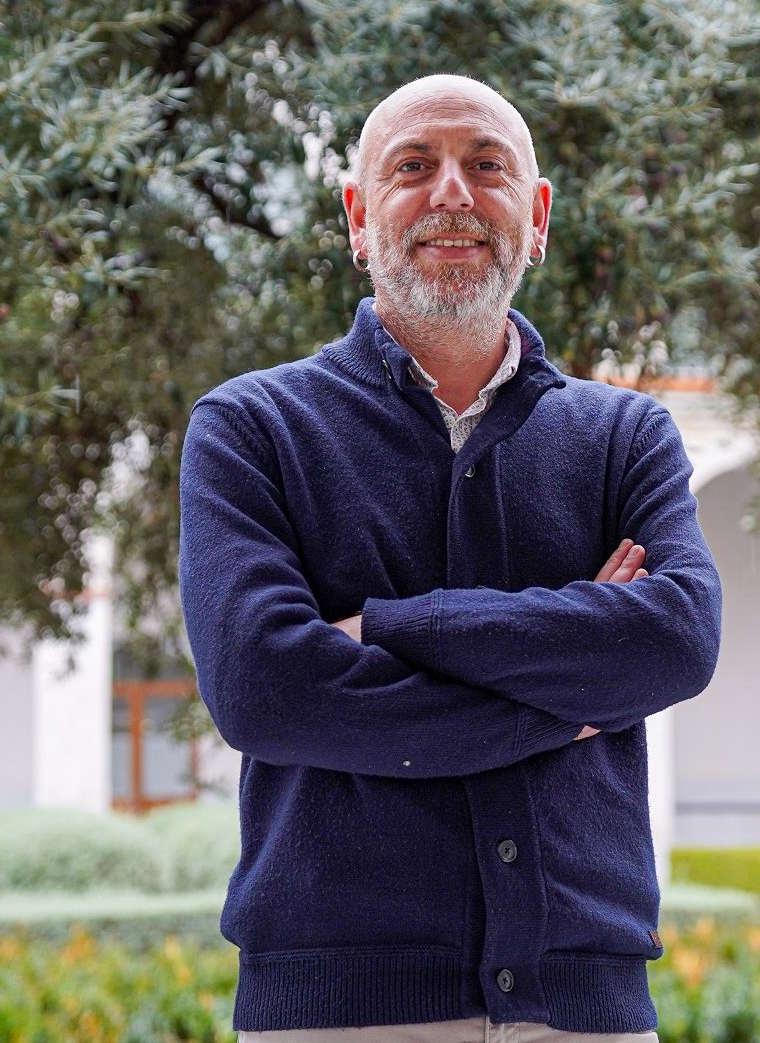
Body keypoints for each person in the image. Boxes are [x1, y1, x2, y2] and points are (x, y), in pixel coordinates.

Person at [177, 73, 724, 1042]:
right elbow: (264, 691)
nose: (453, 195)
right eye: (413, 167)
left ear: (538, 215)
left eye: (487, 166)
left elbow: (676, 640)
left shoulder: (626, 437)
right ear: (357, 215)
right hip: (338, 1017)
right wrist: (566, 703)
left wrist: (389, 627)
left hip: (586, 1014)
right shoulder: (250, 429)